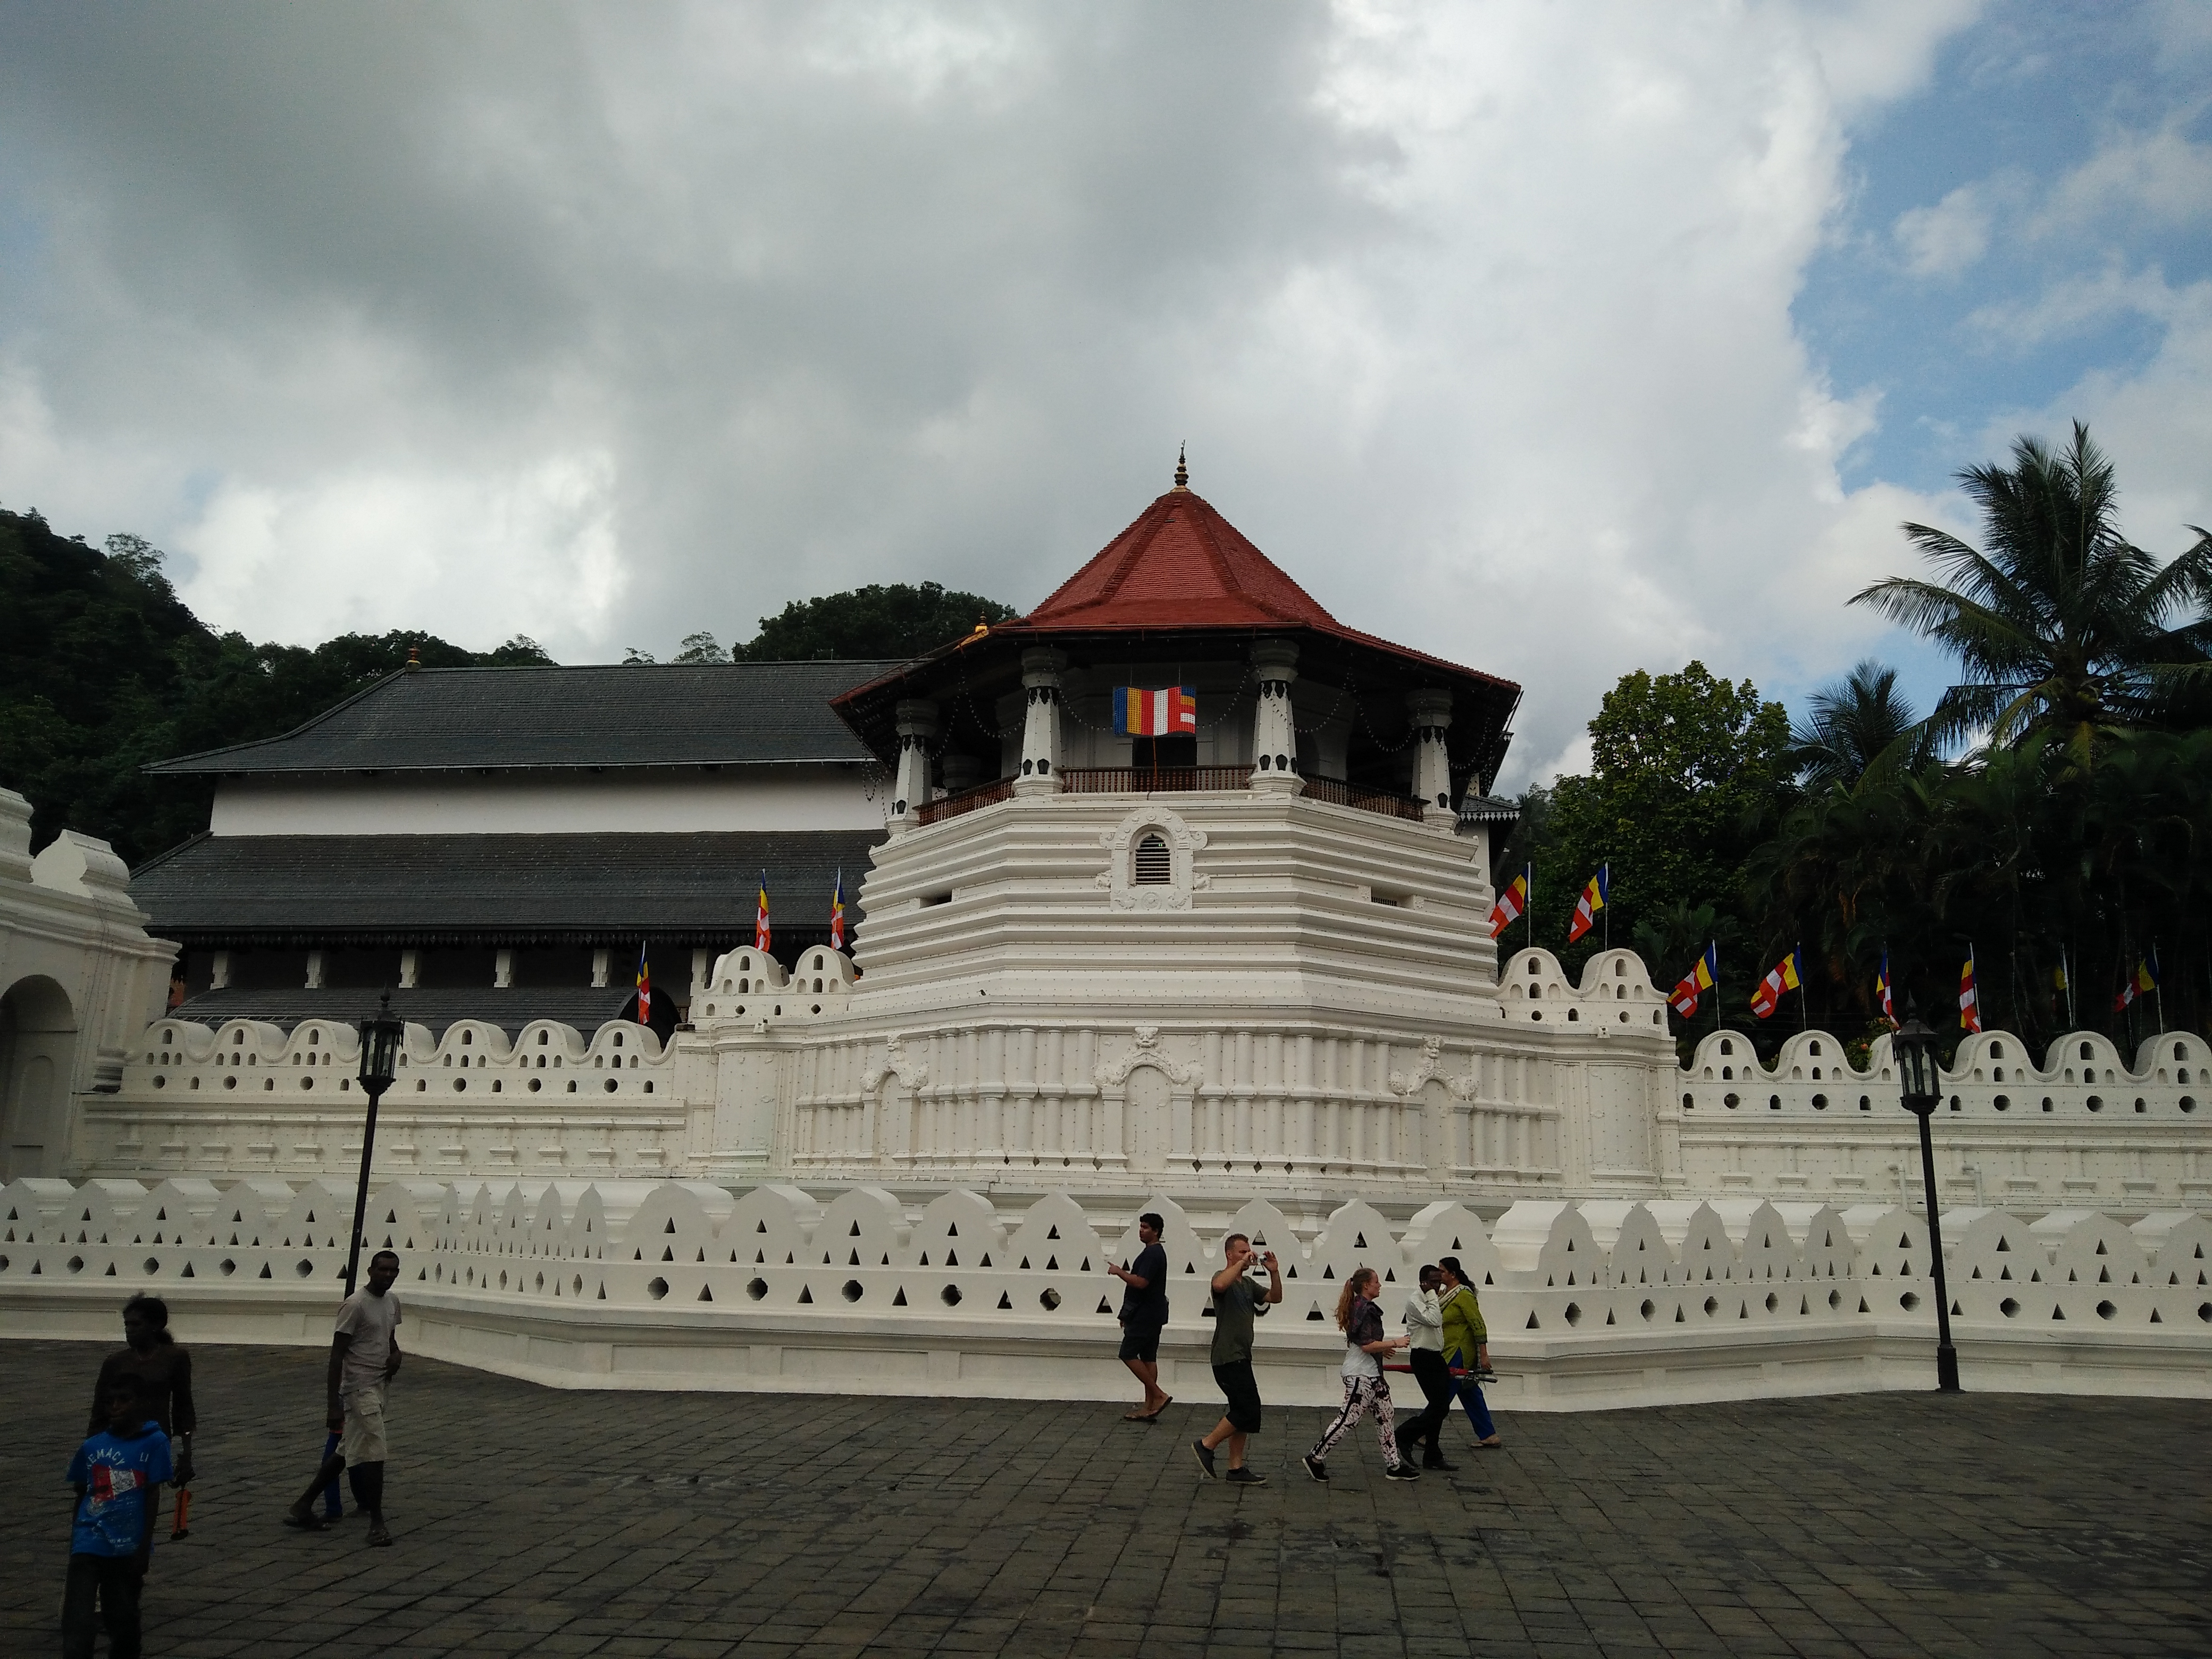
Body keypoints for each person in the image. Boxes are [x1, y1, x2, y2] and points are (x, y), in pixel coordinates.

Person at [284, 1249, 404, 1544]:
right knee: (374, 1452)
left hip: (379, 1384)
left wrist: (396, 1354)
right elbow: (337, 1355)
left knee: (345, 1449)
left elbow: (389, 1339)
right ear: (370, 1271)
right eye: (383, 1270)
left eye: (393, 1271)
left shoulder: (391, 1302)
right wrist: (333, 1403)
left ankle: (303, 1505)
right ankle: (376, 1522)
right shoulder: (355, 1305)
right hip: (358, 1388)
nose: (388, 1275)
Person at [87, 1293, 195, 1576]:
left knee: (145, 1506)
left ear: (157, 1326)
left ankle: (137, 1563)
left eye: (136, 1325)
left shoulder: (175, 1358)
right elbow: (99, 1412)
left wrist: (186, 1453)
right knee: (111, 1506)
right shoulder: (116, 1363)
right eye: (127, 1325)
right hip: (115, 1443)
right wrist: (90, 1451)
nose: (130, 1331)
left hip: (154, 1443)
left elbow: (183, 1406)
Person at [64, 1381, 173, 1659]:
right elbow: (82, 1492)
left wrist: (143, 1546)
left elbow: (152, 1496)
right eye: (109, 1402)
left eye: (123, 1400)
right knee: (78, 1618)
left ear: (139, 1405)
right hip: (89, 1541)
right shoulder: (92, 1446)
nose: (115, 1408)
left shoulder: (154, 1442)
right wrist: (77, 1537)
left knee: (121, 1617)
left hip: (126, 1546)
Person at [1302, 1268, 1417, 1483]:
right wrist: (1394, 1343)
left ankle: (1394, 1465)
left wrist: (1382, 1348)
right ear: (1366, 1285)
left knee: (1385, 1415)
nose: (1380, 1285)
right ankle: (1316, 1456)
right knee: (1348, 1419)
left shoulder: (1360, 1307)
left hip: (1371, 1374)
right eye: (1377, 1282)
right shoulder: (1364, 1309)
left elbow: (1365, 1342)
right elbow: (1366, 1345)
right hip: (1361, 1375)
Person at [1192, 1233, 1281, 1484]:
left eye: (1248, 1252)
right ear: (1229, 1254)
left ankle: (1235, 1468)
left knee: (1242, 1411)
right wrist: (1240, 1265)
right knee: (1249, 1409)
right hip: (1227, 1356)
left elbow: (1275, 1298)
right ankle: (1207, 1445)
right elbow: (1219, 1286)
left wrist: (1274, 1272)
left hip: (1242, 1355)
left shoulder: (1248, 1284)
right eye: (1241, 1252)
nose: (1248, 1256)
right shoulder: (1222, 1278)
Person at [1107, 1212, 1171, 1421]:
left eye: (1145, 1227)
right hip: (1152, 1313)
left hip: (1145, 1314)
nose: (1141, 1231)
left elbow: (1141, 1283)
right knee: (1149, 1357)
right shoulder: (1154, 1253)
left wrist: (1119, 1272)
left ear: (1156, 1231)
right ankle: (1150, 1405)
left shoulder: (1153, 1254)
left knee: (1128, 1353)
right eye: (1141, 1227)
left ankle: (1158, 1395)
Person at [1395, 1265, 1457, 1471]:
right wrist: (1431, 1294)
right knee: (1440, 1406)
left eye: (1439, 1282)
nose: (1437, 1287)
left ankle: (1432, 1454)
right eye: (1432, 1282)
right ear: (1423, 1281)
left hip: (1436, 1356)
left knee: (1438, 1406)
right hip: (1423, 1357)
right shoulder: (1415, 1301)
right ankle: (1404, 1434)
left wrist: (1433, 1296)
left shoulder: (1432, 1299)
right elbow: (1434, 1320)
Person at [1437, 1255, 1502, 1449]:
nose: (1439, 1274)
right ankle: (1488, 1434)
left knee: (1442, 1394)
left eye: (1442, 1271)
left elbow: (1478, 1324)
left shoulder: (1463, 1295)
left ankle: (1423, 1431)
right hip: (1448, 1349)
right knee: (1470, 1392)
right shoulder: (1444, 1294)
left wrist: (1484, 1354)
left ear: (1453, 1274)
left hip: (1459, 1353)